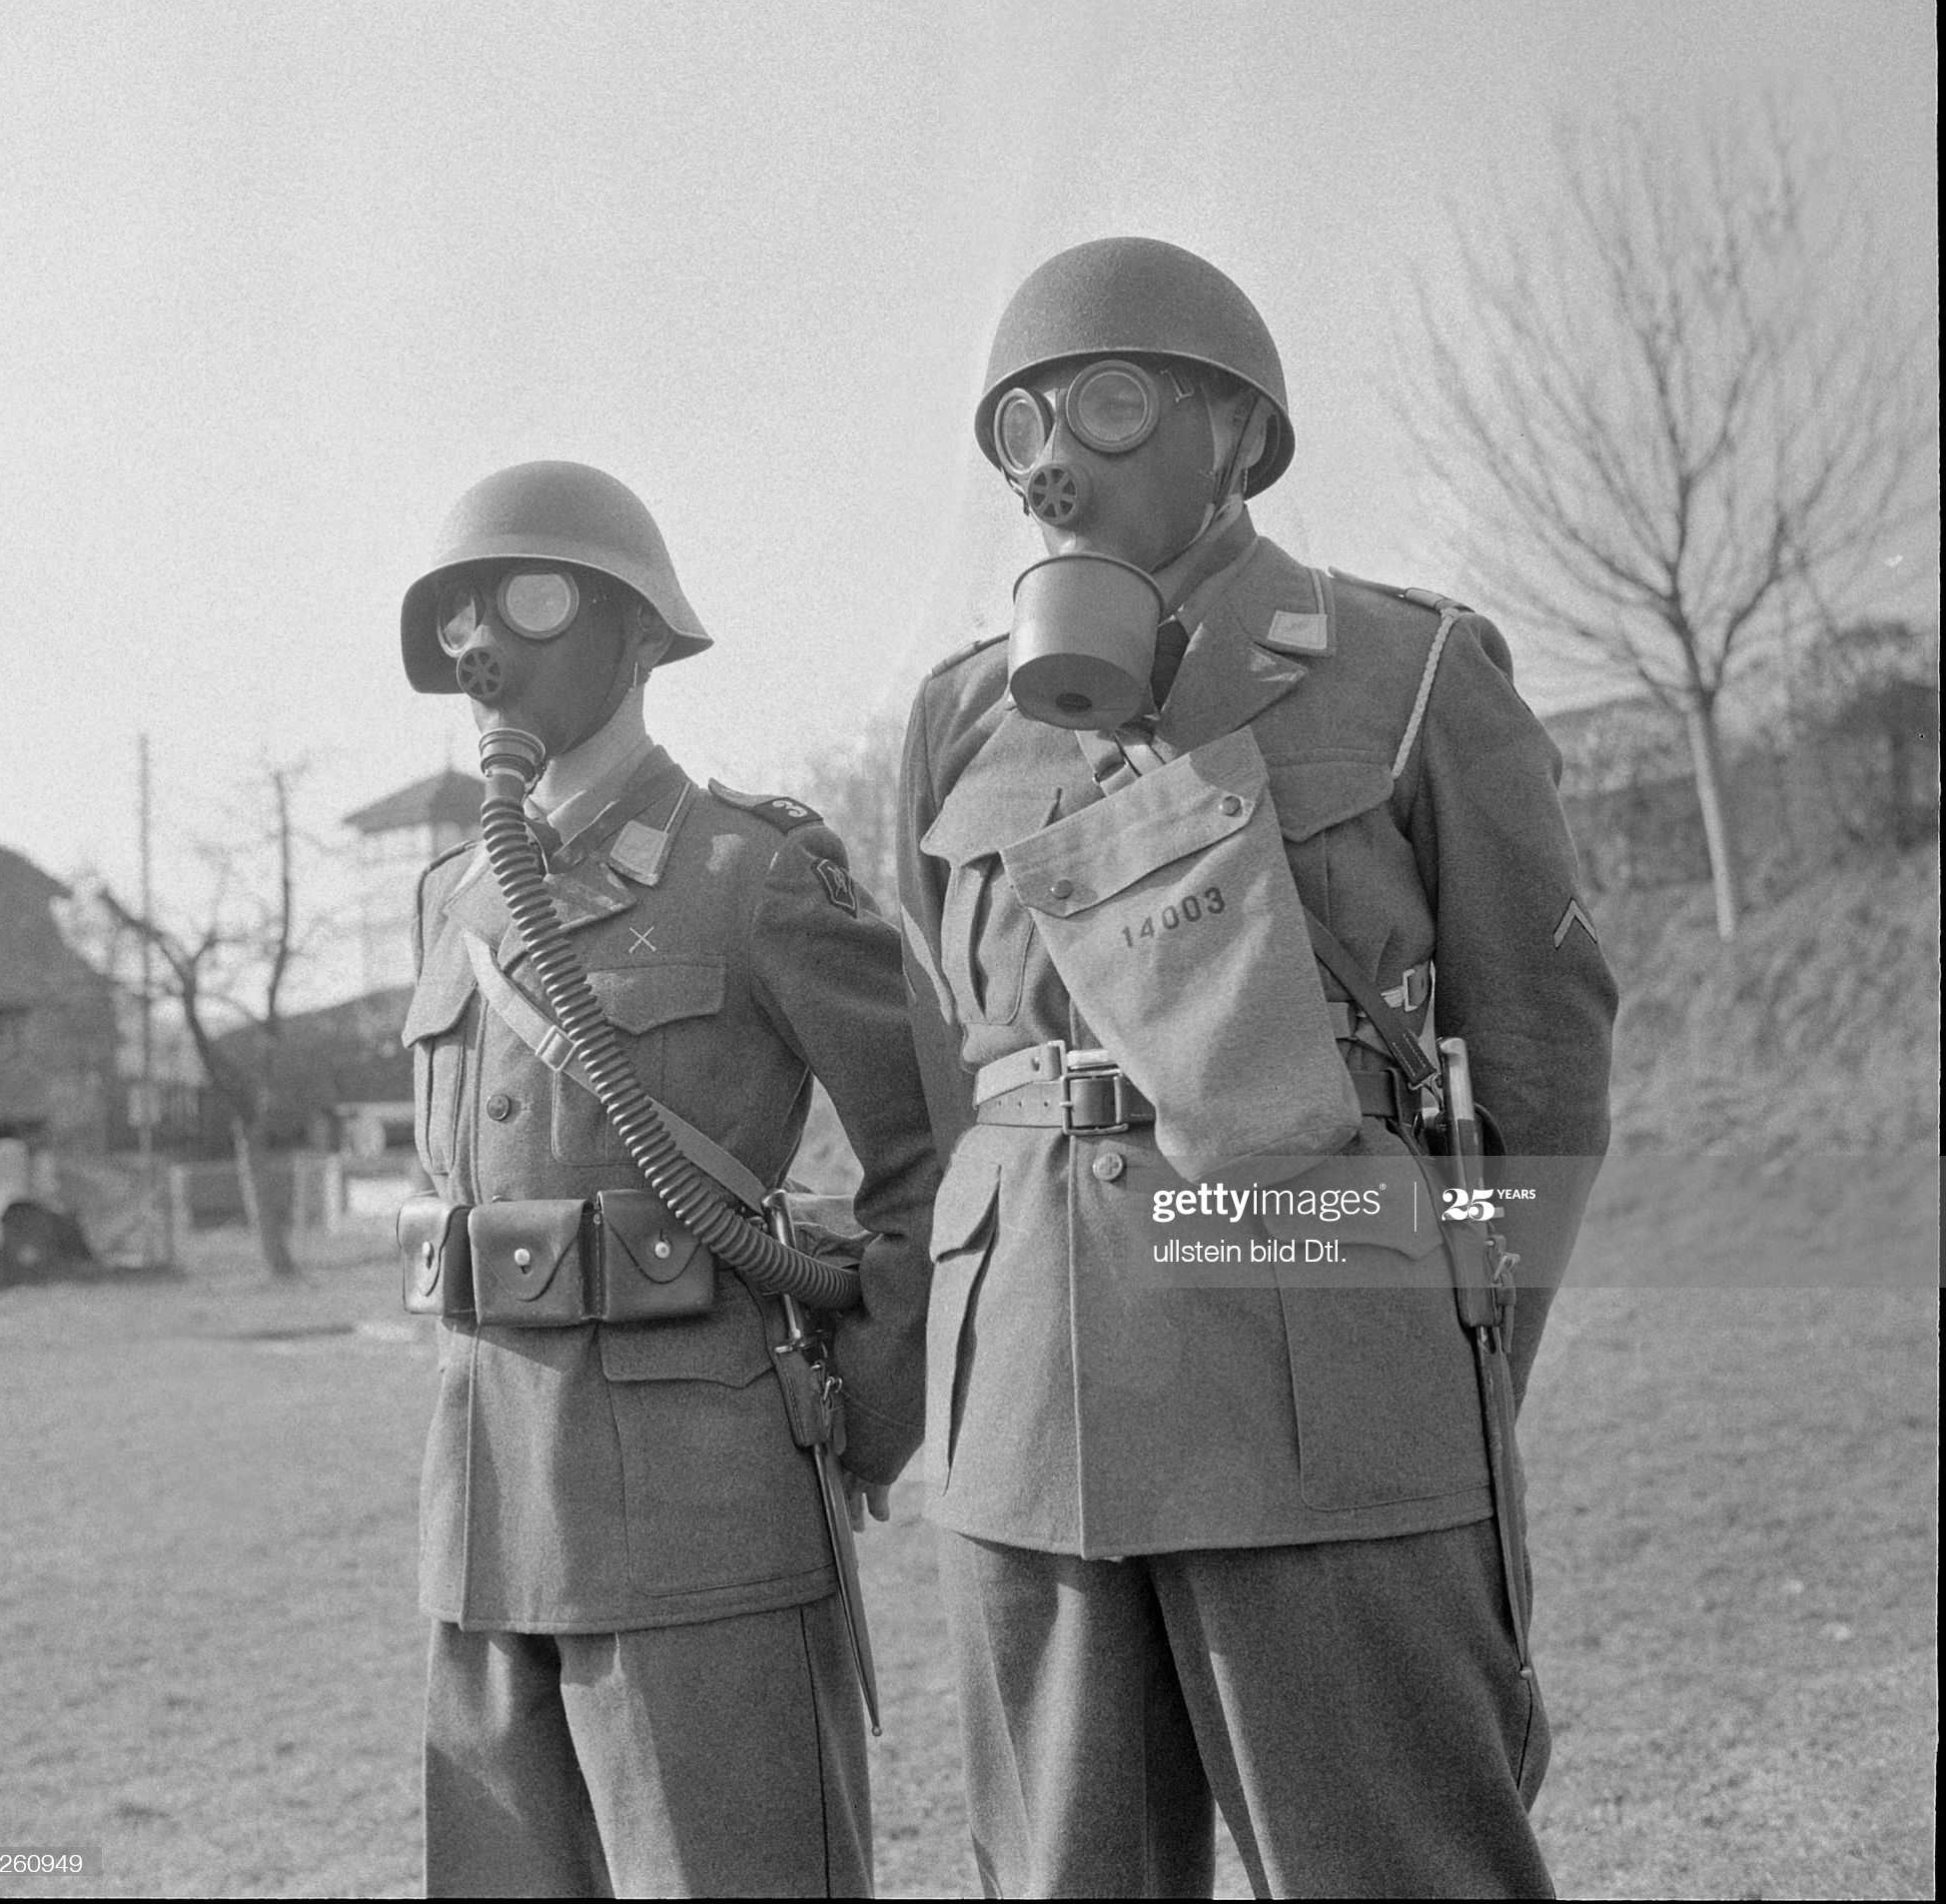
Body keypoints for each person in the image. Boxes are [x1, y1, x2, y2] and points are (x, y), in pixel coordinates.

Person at [896, 237, 1617, 1898]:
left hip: (1323, 1383)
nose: (1054, 465)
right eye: (1018, 428)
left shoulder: (1407, 668)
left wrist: (1446, 1356)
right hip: (1031, 1413)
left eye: (1107, 406)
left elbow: (1541, 1064)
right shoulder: (962, 718)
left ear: (1234, 430)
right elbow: (950, 1060)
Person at [398, 459, 938, 1897]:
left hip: (705, 1529)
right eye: (456, 613)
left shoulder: (749, 873)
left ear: (637, 632)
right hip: (485, 1527)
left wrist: (864, 1418)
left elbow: (931, 1154)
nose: (480, 644)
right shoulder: (449, 900)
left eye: (525, 599)